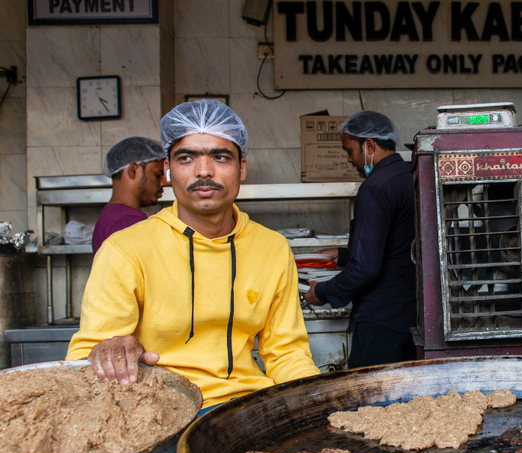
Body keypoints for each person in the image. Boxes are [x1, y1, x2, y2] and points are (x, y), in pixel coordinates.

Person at [67, 100, 320, 413]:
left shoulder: (272, 248)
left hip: (246, 410)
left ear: (241, 167)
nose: (204, 171)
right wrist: (110, 350)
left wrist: (316, 403)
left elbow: (286, 354)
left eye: (221, 156)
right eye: (186, 158)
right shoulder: (126, 250)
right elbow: (85, 359)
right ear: (169, 170)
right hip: (160, 414)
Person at [302, 111, 417, 368]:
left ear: (368, 145)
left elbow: (365, 268)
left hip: (380, 320)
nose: (349, 159)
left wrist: (322, 292)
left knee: (366, 402)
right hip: (410, 315)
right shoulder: (409, 176)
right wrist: (342, 255)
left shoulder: (375, 187)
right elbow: (396, 244)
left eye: (349, 150)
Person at [92, 137, 167, 252]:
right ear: (133, 171)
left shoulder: (110, 217)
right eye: (157, 175)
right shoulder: (128, 222)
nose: (162, 183)